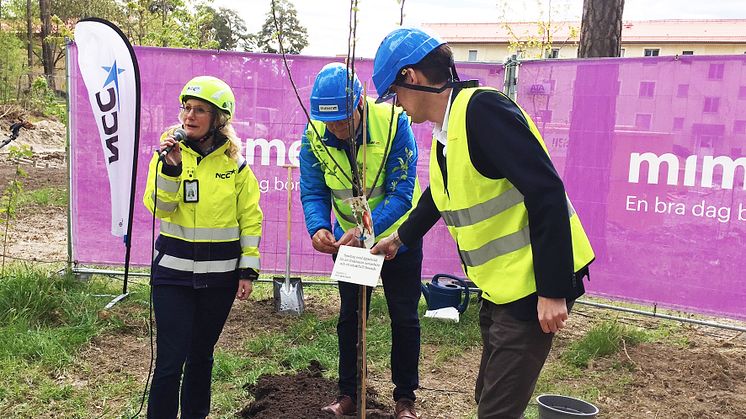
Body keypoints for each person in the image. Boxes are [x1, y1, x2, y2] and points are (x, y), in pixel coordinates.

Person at [370, 28, 595, 419]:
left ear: (413, 77)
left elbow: (545, 191)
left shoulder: (482, 112)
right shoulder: (448, 130)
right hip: (501, 287)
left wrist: (553, 290)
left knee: (496, 410)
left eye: (395, 93)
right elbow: (440, 197)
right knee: (487, 396)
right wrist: (399, 238)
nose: (397, 106)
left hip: (532, 286)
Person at [299, 62, 422, 419]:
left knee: (404, 317)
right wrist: (318, 226)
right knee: (351, 317)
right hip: (352, 246)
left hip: (398, 238)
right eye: (329, 122)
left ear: (359, 105)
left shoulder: (395, 123)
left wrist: (368, 232)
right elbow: (313, 190)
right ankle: (348, 394)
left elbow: (402, 193)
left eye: (342, 119)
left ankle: (405, 399)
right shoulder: (314, 137)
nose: (335, 129)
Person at [143, 75, 263, 419]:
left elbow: (250, 220)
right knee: (170, 360)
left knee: (201, 355)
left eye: (199, 110)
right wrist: (171, 169)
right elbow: (160, 208)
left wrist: (247, 270)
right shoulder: (168, 155)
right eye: (186, 108)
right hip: (172, 278)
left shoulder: (236, 166)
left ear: (219, 119)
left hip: (219, 280)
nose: (189, 116)